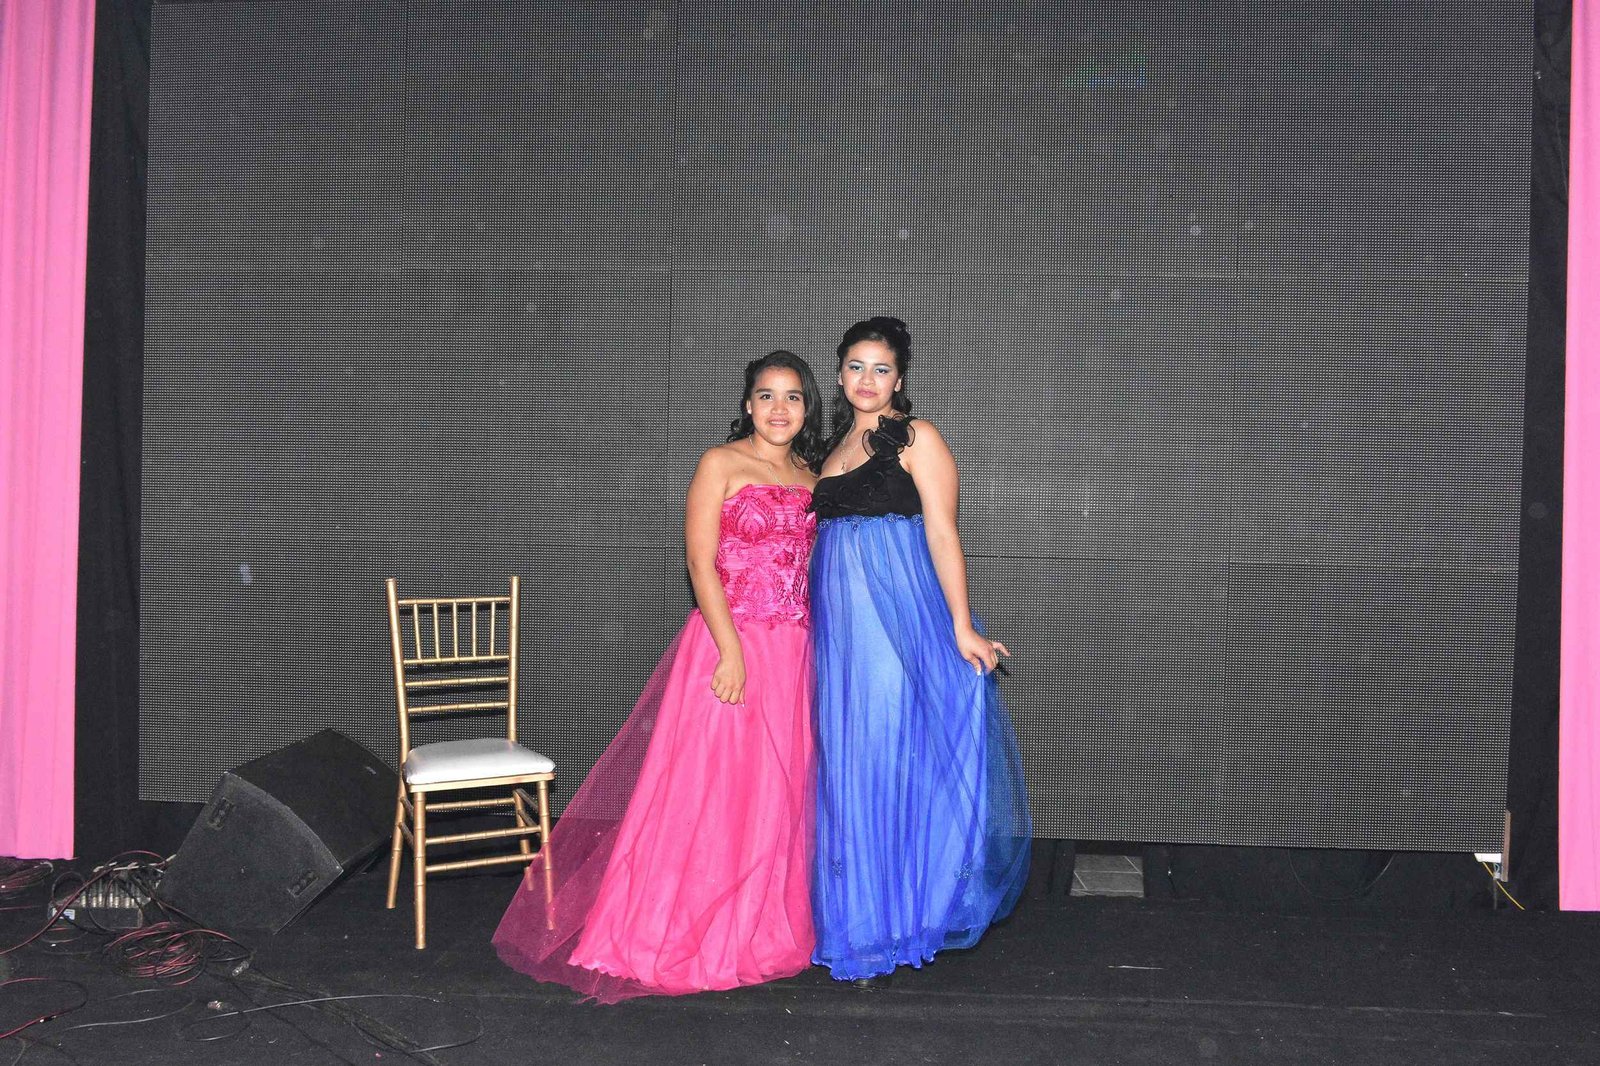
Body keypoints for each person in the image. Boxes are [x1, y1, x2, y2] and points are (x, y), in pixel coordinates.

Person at [494, 351, 824, 1002]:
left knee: (773, 796)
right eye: (766, 395)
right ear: (748, 404)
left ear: (807, 408)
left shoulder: (814, 479)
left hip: (793, 652)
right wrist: (731, 651)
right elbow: (701, 563)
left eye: (792, 397)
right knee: (708, 792)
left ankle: (753, 930)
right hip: (728, 646)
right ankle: (671, 931)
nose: (778, 408)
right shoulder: (720, 463)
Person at [809, 316, 1031, 983]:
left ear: (899, 378)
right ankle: (861, 921)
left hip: (897, 625)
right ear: (840, 373)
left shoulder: (917, 437)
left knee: (889, 757)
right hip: (842, 636)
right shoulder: (832, 446)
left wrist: (961, 625)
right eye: (855, 366)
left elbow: (942, 533)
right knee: (850, 767)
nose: (866, 379)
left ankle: (902, 917)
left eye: (880, 368)